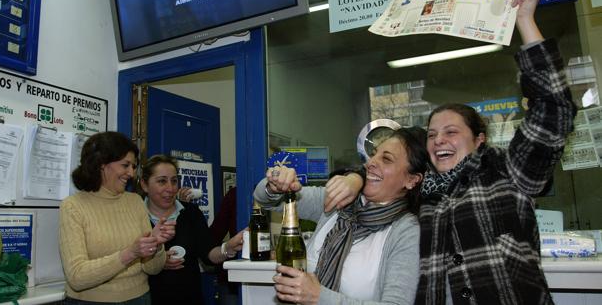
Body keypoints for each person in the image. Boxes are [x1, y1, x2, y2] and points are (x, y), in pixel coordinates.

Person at [331, 0, 576, 305]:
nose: (438, 141)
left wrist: (525, 20)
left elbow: (552, 110)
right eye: (432, 134)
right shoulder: (421, 190)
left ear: (479, 140)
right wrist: (354, 177)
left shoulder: (508, 171)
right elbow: (384, 172)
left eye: (451, 132)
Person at [254, 127, 430, 305]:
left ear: (411, 180)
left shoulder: (407, 231)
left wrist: (319, 297)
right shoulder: (340, 201)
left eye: (386, 159)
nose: (371, 163)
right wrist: (275, 185)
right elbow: (265, 200)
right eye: (374, 154)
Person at [59, 131, 175, 304]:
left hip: (140, 298)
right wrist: (130, 253)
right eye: (125, 165)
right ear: (101, 164)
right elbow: (77, 277)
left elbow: (152, 269)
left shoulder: (135, 201)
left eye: (133, 166)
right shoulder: (73, 206)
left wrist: (156, 245)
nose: (131, 173)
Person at [140, 155, 244, 305]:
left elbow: (209, 255)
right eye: (162, 181)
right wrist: (157, 262)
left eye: (174, 181)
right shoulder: (134, 215)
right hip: (148, 298)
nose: (170, 188)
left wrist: (228, 248)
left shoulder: (191, 212)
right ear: (144, 184)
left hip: (189, 297)